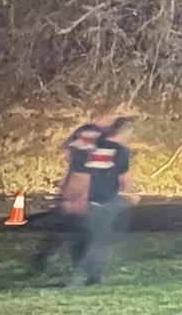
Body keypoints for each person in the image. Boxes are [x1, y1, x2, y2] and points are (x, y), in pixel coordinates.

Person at [30, 119, 102, 276]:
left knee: (66, 237)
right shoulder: (85, 155)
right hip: (74, 201)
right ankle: (88, 273)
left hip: (75, 201)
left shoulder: (86, 154)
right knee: (66, 237)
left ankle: (42, 263)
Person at [73, 116, 133, 286]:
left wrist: (78, 196)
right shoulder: (121, 151)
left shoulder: (91, 147)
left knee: (88, 238)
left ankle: (87, 272)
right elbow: (124, 179)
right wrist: (131, 194)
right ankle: (93, 275)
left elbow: (81, 174)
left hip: (91, 200)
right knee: (100, 240)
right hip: (107, 200)